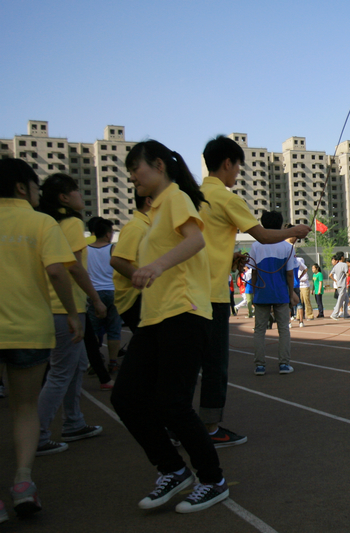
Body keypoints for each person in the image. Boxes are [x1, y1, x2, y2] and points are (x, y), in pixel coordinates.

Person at [110, 140, 228, 513]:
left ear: (159, 166)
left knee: (172, 403)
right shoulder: (151, 216)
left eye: (136, 169)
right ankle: (174, 469)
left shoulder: (175, 197)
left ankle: (213, 480)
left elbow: (195, 240)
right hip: (154, 318)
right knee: (126, 397)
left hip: (184, 312)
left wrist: (157, 266)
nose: (133, 177)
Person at [197, 135, 310, 448]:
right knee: (214, 366)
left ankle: (176, 424)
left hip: (187, 293)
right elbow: (260, 234)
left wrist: (231, 259)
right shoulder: (226, 198)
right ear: (228, 163)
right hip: (212, 296)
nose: (237, 174)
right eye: (237, 167)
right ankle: (209, 429)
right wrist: (294, 232)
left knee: (187, 364)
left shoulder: (191, 196)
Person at [0, 159, 82, 519]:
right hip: (27, 328)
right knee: (23, 408)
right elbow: (57, 270)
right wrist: (71, 311)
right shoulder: (40, 222)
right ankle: (22, 482)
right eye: (35, 186)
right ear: (22, 187)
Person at [36, 173, 106, 456]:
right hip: (67, 307)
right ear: (64, 197)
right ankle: (38, 433)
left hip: (54, 305)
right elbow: (75, 267)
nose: (80, 195)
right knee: (61, 372)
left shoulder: (49, 223)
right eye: (76, 190)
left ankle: (74, 421)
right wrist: (95, 298)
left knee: (75, 365)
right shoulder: (73, 224)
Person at [251, 211, 299, 375]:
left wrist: (254, 293)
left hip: (262, 294)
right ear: (280, 225)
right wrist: (291, 293)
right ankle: (284, 364)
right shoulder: (287, 247)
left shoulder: (256, 245)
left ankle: (260, 366)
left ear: (263, 224)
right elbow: (290, 274)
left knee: (259, 330)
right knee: (283, 329)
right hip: (280, 294)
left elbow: (254, 273)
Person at [86, 217, 124, 381]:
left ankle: (96, 360)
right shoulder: (112, 249)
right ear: (108, 234)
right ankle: (113, 362)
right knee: (114, 328)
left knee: (93, 330)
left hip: (94, 293)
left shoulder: (85, 249)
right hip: (112, 291)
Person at [110, 192, 151, 336]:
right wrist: (145, 280)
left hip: (141, 296)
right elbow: (117, 260)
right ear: (149, 201)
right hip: (135, 298)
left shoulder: (147, 226)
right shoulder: (137, 227)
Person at [329, 253, 350, 319]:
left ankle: (346, 314)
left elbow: (330, 275)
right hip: (342, 285)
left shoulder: (336, 266)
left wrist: (335, 280)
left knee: (346, 300)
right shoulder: (344, 265)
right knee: (340, 300)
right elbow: (347, 273)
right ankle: (334, 314)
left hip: (338, 285)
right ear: (342, 257)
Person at [297, 254, 311, 326]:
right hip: (298, 286)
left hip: (305, 286)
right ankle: (298, 316)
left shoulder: (302, 269)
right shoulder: (297, 269)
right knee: (299, 301)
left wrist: (299, 278)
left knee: (306, 301)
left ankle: (309, 315)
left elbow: (305, 278)